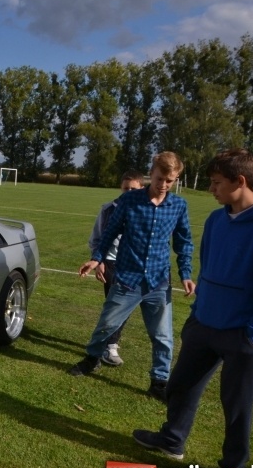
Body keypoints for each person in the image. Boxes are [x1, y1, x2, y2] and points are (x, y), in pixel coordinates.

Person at [133, 149, 253, 468]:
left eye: (217, 183)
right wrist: (198, 314)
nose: (212, 189)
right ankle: (171, 440)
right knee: (179, 385)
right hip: (204, 322)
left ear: (241, 182)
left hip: (240, 332)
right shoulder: (215, 219)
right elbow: (207, 269)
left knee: (236, 407)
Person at [70, 152, 195, 404]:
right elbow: (110, 232)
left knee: (163, 336)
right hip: (127, 279)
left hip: (159, 282)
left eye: (170, 181)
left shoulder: (178, 206)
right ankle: (91, 360)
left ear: (176, 179)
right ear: (152, 172)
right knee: (106, 324)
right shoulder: (130, 201)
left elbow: (183, 243)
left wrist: (185, 273)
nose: (163, 185)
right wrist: (97, 258)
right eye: (160, 178)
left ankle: (159, 381)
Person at [87, 170, 144, 366]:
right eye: (126, 188)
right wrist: (99, 262)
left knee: (122, 309)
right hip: (111, 263)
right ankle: (109, 347)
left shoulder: (146, 210)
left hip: (134, 267)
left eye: (133, 188)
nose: (128, 191)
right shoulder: (108, 210)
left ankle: (107, 344)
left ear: (141, 188)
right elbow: (96, 239)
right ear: (121, 187)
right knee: (115, 308)